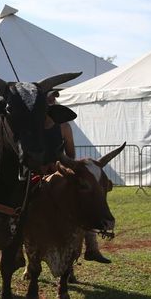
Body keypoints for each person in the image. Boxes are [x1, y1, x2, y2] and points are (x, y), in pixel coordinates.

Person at [43, 92, 111, 269]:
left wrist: (62, 165)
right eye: (49, 103)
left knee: (83, 202)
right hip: (36, 172)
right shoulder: (34, 126)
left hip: (59, 170)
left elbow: (70, 154)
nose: (51, 105)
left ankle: (92, 248)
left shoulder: (64, 126)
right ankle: (16, 250)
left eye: (52, 103)